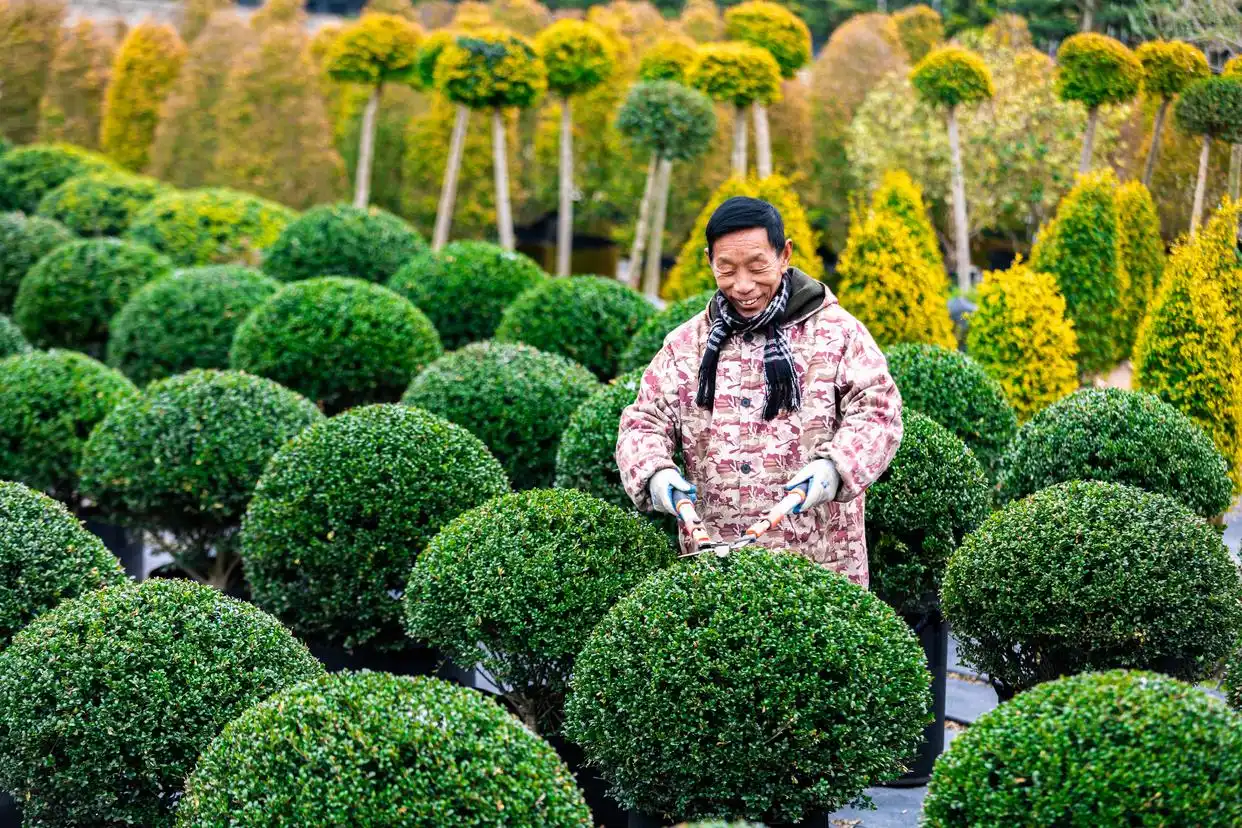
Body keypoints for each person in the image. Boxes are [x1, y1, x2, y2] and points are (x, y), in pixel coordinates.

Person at [615, 196, 903, 586]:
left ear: (784, 255)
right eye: (727, 269)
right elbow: (643, 422)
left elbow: (878, 411)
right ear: (709, 262)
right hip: (715, 569)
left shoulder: (838, 334)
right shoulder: (686, 345)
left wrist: (835, 468)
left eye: (757, 266)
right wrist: (655, 473)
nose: (743, 285)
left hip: (821, 569)